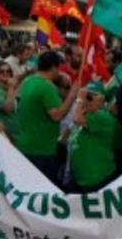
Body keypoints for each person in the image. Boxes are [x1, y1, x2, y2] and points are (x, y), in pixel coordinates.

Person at [16, 50, 79, 185]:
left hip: (25, 145)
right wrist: (72, 95)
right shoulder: (47, 87)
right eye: (59, 68)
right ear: (53, 67)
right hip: (41, 149)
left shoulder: (28, 81)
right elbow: (57, 116)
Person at [69, 81, 117, 193]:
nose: (85, 101)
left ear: (101, 101)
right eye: (85, 97)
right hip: (79, 178)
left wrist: (79, 99)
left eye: (89, 98)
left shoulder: (103, 117)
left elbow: (77, 120)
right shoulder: (84, 114)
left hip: (97, 177)